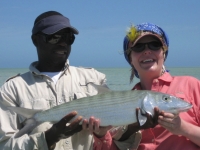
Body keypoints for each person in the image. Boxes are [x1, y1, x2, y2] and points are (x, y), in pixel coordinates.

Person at [0, 11, 139, 150]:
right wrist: (48, 138)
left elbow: (114, 133)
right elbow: (4, 145)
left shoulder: (94, 78)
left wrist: (133, 126)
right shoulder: (12, 89)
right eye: (54, 37)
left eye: (68, 38)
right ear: (36, 40)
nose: (63, 44)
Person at [121, 22, 200, 149]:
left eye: (154, 45)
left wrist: (183, 128)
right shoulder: (121, 101)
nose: (147, 51)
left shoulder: (191, 85)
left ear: (164, 52)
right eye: (138, 47)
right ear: (130, 58)